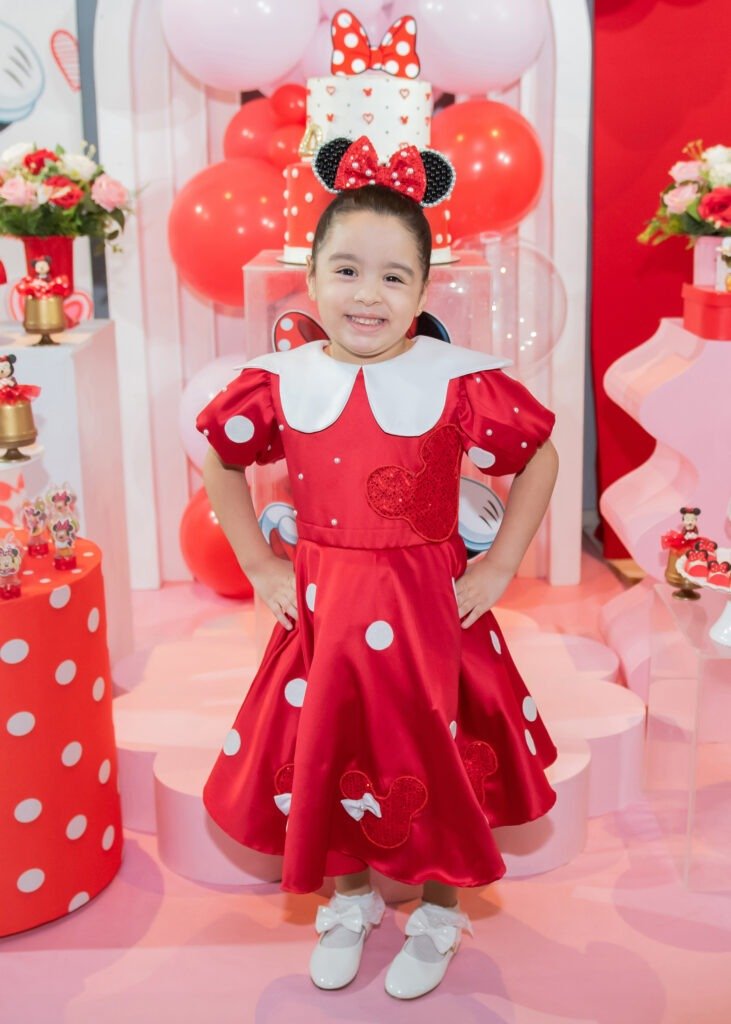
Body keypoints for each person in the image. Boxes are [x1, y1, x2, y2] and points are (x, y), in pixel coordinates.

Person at [197, 140, 559, 1001]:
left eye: (394, 277)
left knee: (435, 754)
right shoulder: (279, 382)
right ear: (311, 280)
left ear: (423, 292)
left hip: (428, 616)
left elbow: (538, 455)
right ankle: (349, 899)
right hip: (325, 612)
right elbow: (221, 458)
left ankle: (438, 912)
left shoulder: (458, 381)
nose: (368, 295)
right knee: (331, 751)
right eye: (347, 271)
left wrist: (500, 565)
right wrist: (259, 563)